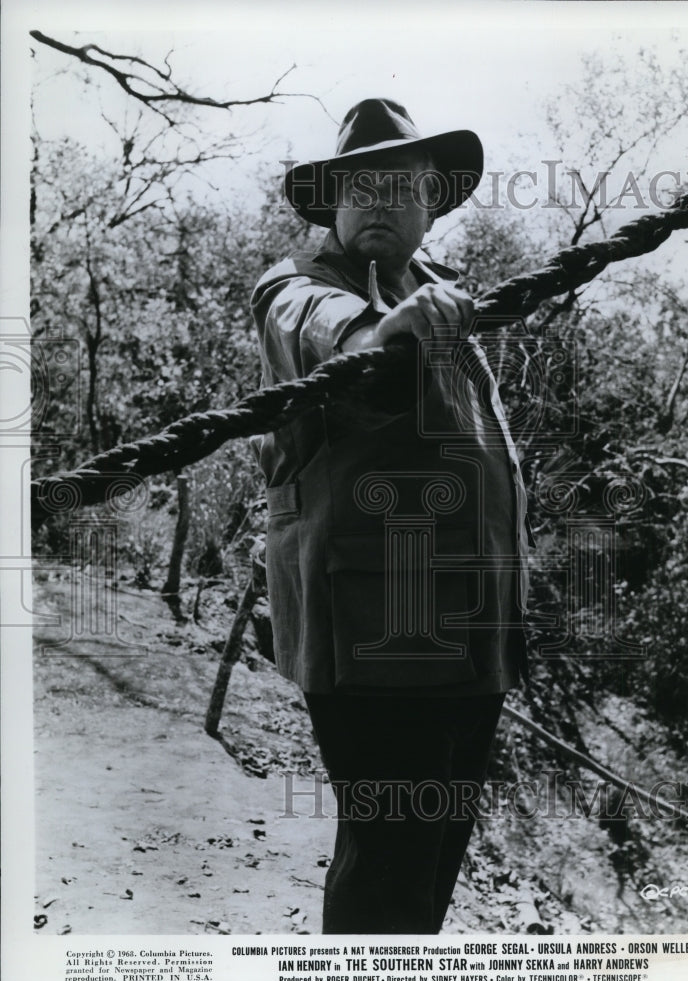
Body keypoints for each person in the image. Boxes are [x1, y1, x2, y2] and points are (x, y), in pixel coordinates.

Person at [250, 98, 530, 934]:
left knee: (430, 867)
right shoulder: (299, 286)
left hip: (472, 632)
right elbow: (318, 326)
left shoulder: (443, 296)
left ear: (430, 208)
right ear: (332, 207)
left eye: (400, 186)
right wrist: (383, 329)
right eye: (360, 186)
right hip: (379, 633)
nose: (378, 201)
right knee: (388, 873)